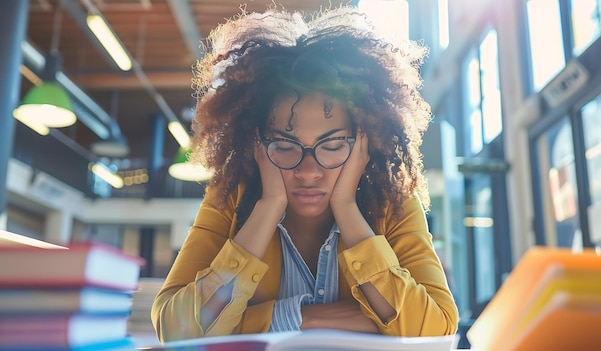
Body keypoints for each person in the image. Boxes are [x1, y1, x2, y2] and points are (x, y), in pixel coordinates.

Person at [151, 5, 459, 342]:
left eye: (332, 145)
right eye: (284, 144)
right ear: (257, 143)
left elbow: (436, 330)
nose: (308, 171)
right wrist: (269, 208)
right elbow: (175, 331)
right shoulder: (231, 196)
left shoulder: (392, 202)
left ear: (364, 144)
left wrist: (346, 208)